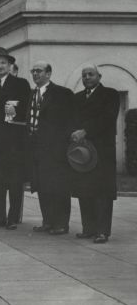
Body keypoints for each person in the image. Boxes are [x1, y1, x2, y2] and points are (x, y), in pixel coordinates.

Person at [71, 65, 120, 244]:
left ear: (99, 76)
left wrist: (85, 131)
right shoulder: (77, 98)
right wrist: (74, 133)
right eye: (84, 75)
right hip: (83, 152)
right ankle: (88, 228)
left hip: (102, 151)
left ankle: (102, 231)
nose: (87, 78)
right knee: (85, 189)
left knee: (102, 192)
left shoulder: (110, 94)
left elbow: (108, 118)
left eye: (91, 74)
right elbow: (72, 119)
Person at [0, 48, 31, 230]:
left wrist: (16, 111)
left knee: (14, 182)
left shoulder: (21, 84)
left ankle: (13, 218)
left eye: (3, 63)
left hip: (14, 143)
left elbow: (28, 109)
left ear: (10, 65)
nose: (0, 66)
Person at [27, 61, 74, 235]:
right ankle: (48, 221)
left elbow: (69, 120)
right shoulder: (32, 94)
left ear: (49, 73)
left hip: (56, 150)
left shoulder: (62, 93)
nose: (35, 74)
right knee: (42, 185)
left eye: (39, 71)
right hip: (37, 149)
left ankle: (61, 223)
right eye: (33, 71)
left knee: (59, 186)